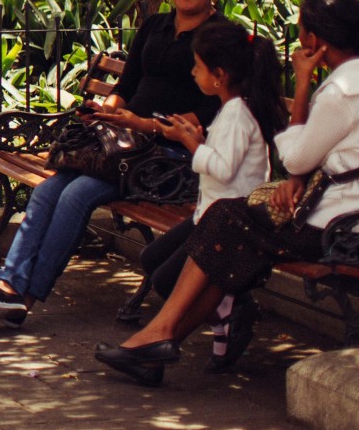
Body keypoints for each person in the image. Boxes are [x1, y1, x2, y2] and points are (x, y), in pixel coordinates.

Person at [97, 0, 359, 385]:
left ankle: (158, 336)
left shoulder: (342, 90)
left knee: (226, 218)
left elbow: (295, 157)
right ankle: (156, 345)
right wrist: (297, 180)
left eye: (301, 31)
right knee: (231, 232)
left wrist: (301, 84)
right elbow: (338, 153)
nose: (299, 39)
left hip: (349, 231)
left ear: (314, 40)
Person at [0, 0, 225, 327]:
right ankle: (9, 287)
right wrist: (106, 112)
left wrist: (142, 125)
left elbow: (207, 113)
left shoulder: (220, 36)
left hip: (169, 158)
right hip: (122, 147)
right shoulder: (155, 25)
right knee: (50, 190)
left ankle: (25, 299)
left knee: (77, 194)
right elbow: (125, 87)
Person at [113, 22, 283, 355]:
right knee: (152, 258)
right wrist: (198, 140)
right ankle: (226, 309)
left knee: (164, 279)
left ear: (218, 75)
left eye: (198, 67)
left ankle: (227, 305)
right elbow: (223, 160)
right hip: (209, 214)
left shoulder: (236, 113)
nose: (192, 73)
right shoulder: (230, 109)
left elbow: (221, 167)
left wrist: (190, 142)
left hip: (228, 222)